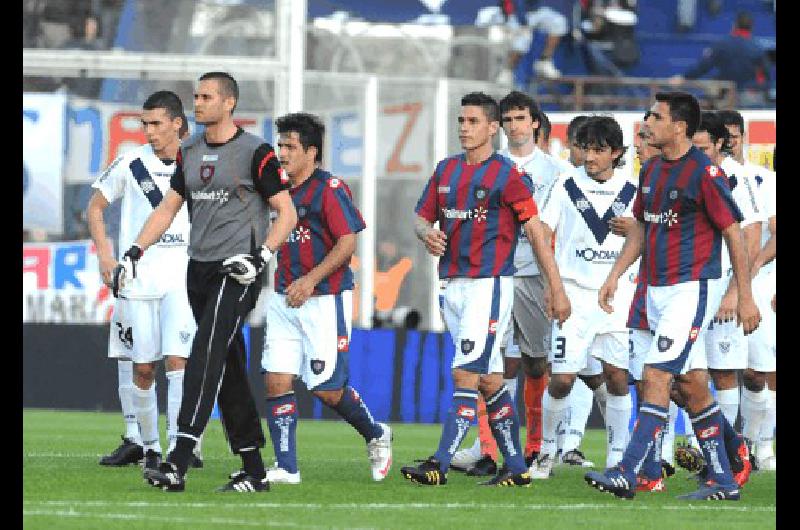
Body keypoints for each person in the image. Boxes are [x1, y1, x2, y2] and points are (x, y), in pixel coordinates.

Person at [121, 72, 298, 493]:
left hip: (237, 271)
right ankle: (254, 469)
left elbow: (286, 213)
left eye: (206, 96)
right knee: (229, 365)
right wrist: (134, 251)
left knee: (205, 350)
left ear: (229, 103)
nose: (197, 103)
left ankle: (179, 457)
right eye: (196, 96)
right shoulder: (190, 150)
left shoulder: (256, 152)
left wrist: (261, 258)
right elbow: (167, 209)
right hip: (197, 270)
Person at [586, 91, 760, 501]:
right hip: (654, 290)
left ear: (678, 126)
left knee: (658, 377)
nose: (647, 122)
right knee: (689, 386)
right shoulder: (651, 171)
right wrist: (615, 274)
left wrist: (744, 295)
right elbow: (643, 229)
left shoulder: (704, 173)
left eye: (655, 116)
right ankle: (725, 468)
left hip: (690, 287)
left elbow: (734, 233)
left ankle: (629, 470)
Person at [401, 91, 570, 486]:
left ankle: (439, 465)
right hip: (452, 285)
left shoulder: (506, 175)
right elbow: (421, 219)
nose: (464, 128)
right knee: (491, 381)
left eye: (473, 121)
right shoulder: (446, 170)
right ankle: (515, 467)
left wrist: (556, 287)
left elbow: (535, 231)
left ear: (493, 128)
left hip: (488, 286)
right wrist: (427, 235)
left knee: (464, 373)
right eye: (461, 121)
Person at [259, 112, 392, 485]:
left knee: (327, 389)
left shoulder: (329, 188)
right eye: (280, 145)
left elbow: (348, 242)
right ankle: (287, 467)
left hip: (324, 298)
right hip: (284, 297)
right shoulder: (276, 190)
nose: (282, 153)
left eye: (290, 147)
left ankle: (376, 434)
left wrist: (310, 279)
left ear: (311, 152)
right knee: (276, 380)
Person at [450, 91, 568, 475]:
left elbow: (549, 231)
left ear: (535, 123)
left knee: (536, 362)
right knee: (492, 363)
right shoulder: (487, 166)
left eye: (522, 118)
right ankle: (489, 450)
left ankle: (535, 447)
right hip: (492, 274)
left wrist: (556, 282)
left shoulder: (555, 172)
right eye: (509, 119)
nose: (515, 125)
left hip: (533, 275)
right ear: (499, 125)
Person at [89, 91, 202, 472]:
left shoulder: (200, 163)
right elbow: (96, 208)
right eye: (145, 124)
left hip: (183, 278)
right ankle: (147, 445)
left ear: (177, 124)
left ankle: (179, 447)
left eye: (156, 123)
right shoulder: (130, 162)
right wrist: (107, 256)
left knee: (179, 362)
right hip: (137, 278)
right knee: (141, 368)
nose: (150, 131)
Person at [529, 116, 636, 479]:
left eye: (599, 150)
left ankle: (617, 456)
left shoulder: (633, 190)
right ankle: (546, 452)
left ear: (616, 153)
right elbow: (541, 233)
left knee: (618, 378)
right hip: (573, 295)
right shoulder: (566, 185)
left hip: (617, 295)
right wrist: (555, 286)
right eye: (586, 149)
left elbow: (647, 240)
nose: (590, 157)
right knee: (561, 379)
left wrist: (636, 232)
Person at [690, 112, 762, 434]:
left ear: (720, 144)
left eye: (704, 147)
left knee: (723, 371)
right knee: (690, 372)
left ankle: (729, 449)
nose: (697, 153)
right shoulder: (685, 172)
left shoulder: (735, 178)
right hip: (688, 285)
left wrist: (735, 292)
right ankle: (698, 447)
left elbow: (750, 236)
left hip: (723, 286)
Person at [717, 110, 776, 470]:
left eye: (734, 136)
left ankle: (761, 442)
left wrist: (751, 272)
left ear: (742, 137)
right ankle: (729, 448)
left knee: (759, 370)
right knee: (718, 368)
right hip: (719, 278)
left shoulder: (764, 179)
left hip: (761, 279)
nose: (729, 143)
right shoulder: (708, 178)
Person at [670, 12, 771, 107]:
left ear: (734, 25)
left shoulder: (722, 45)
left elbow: (703, 67)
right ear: (751, 27)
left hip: (726, 96)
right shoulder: (758, 48)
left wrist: (684, 77)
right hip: (749, 96)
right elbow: (766, 76)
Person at [501, 0, 573, 79]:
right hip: (518, 15)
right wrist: (523, 24)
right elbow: (518, 4)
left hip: (537, 12)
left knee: (559, 23)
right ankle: (508, 71)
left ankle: (544, 61)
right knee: (521, 44)